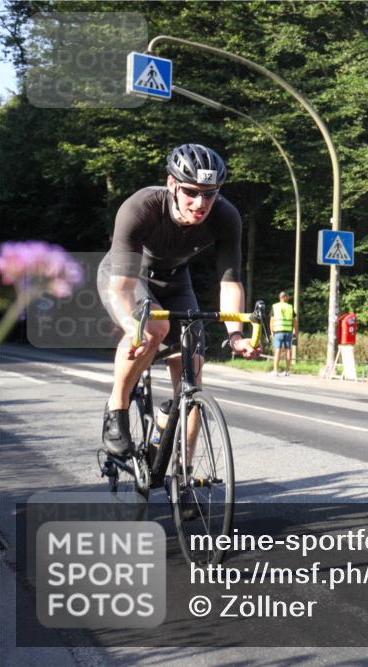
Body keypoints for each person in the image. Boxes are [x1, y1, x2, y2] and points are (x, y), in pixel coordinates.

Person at [98, 143, 260, 457]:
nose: (200, 203)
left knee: (192, 376)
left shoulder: (226, 216)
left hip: (175, 280)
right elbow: (121, 289)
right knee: (152, 330)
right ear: (172, 184)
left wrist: (236, 335)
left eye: (209, 194)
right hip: (129, 277)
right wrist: (132, 327)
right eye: (191, 192)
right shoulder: (141, 207)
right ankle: (117, 407)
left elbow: (230, 282)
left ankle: (185, 476)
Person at [269, 291, 298, 376]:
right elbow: (295, 321)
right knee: (288, 350)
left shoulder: (275, 306)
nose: (288, 298)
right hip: (288, 332)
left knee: (277, 350)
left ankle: (275, 371)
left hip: (278, 332)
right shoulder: (290, 307)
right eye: (287, 296)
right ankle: (287, 371)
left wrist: (271, 331)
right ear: (284, 297)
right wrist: (295, 332)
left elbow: (272, 320)